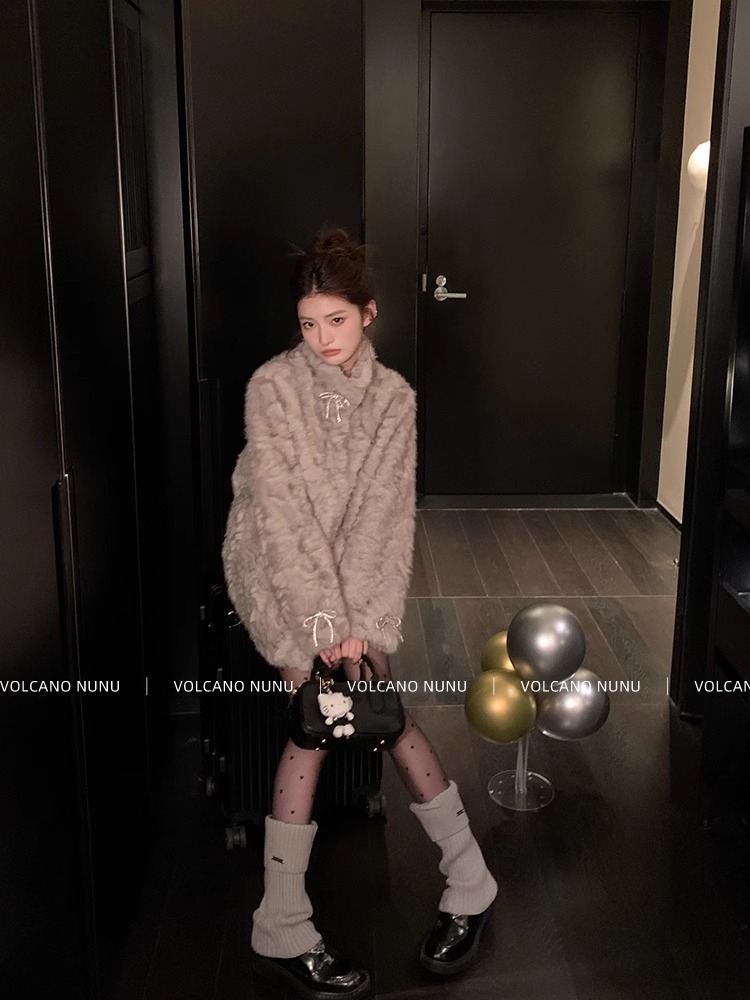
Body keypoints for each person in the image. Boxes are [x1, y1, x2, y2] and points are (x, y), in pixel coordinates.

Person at [221, 225, 497, 999]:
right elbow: (281, 517)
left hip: (353, 582)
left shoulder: (394, 400)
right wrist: (321, 626)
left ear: (368, 313)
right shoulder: (272, 387)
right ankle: (282, 922)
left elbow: (383, 517)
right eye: (308, 323)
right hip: (276, 574)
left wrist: (363, 628)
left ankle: (469, 880)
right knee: (315, 720)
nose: (322, 338)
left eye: (336, 320)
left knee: (383, 710)